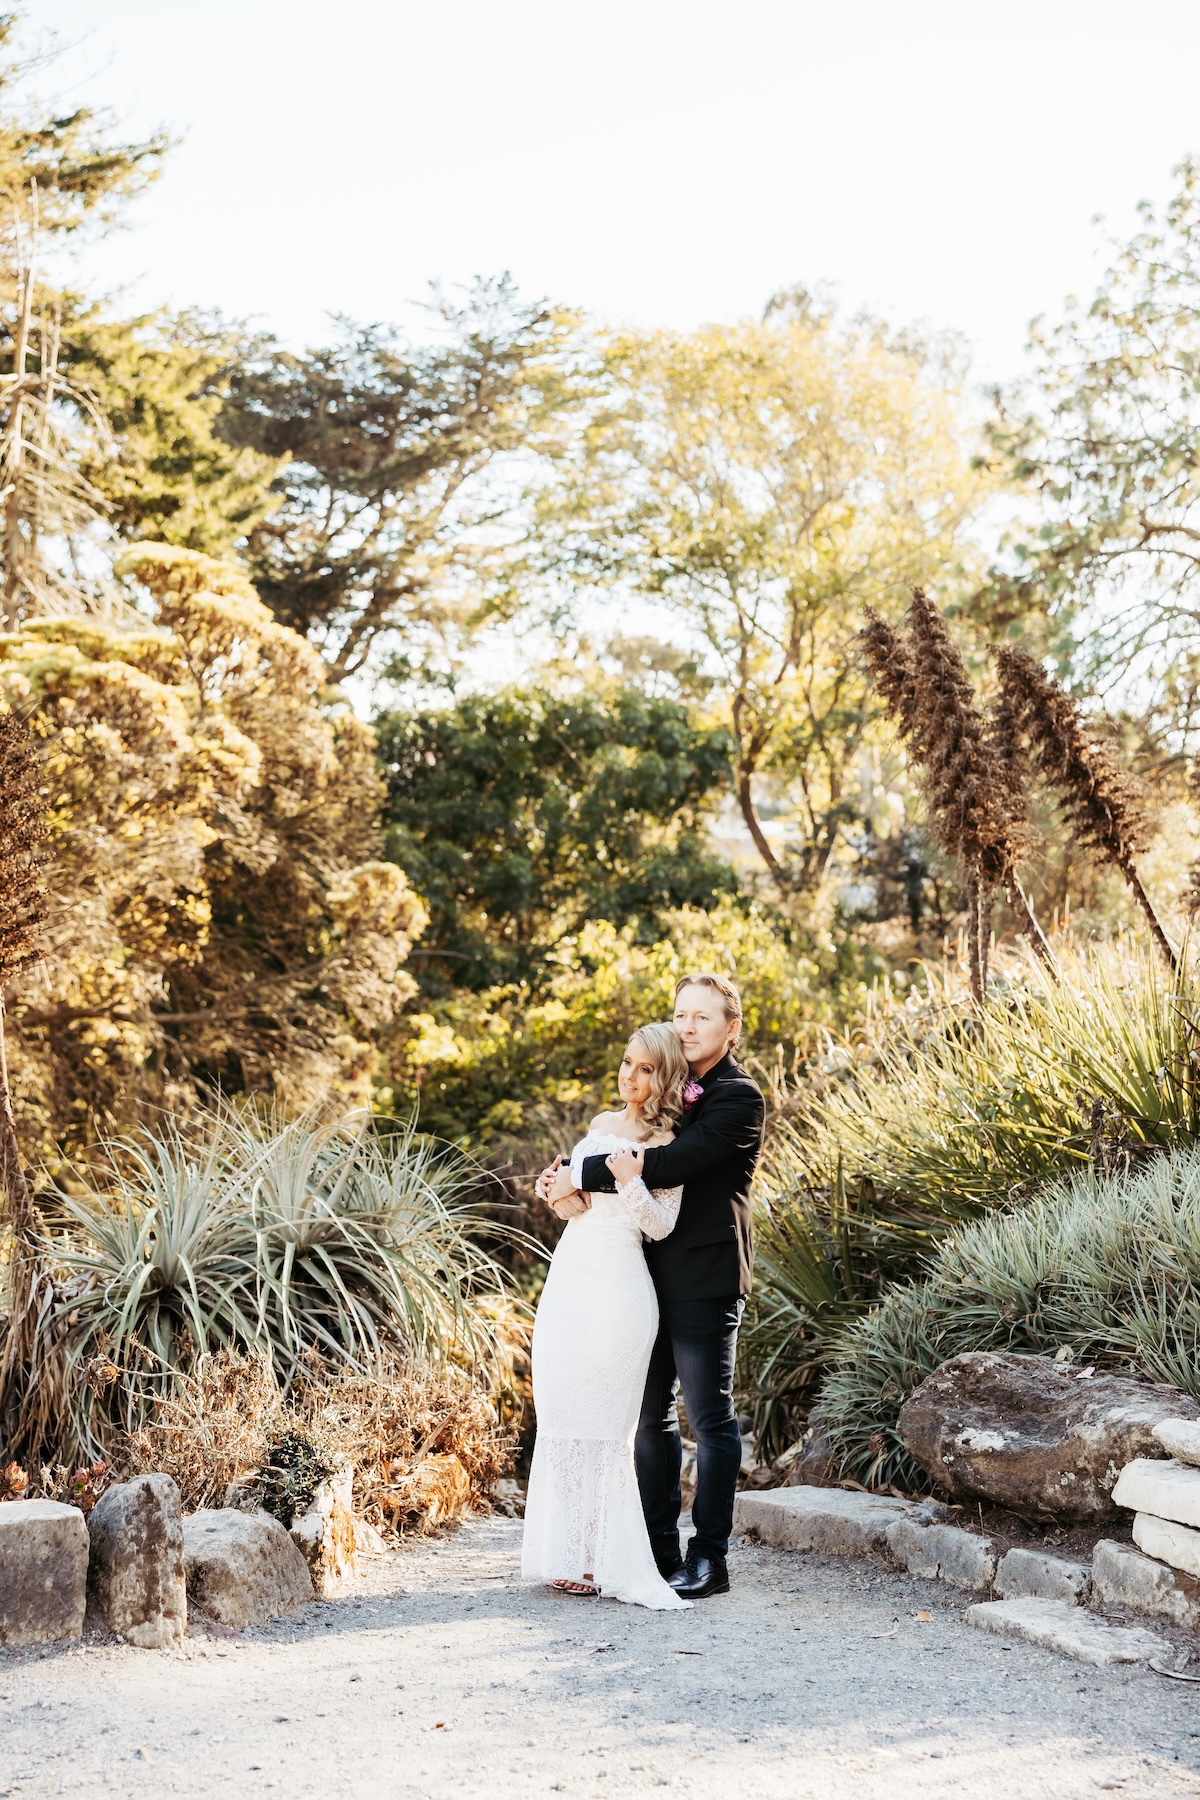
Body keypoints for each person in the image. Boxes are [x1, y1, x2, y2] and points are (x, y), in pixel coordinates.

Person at [538, 974, 765, 1600]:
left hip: (703, 1277)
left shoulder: (737, 1097)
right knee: (647, 1416)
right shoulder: (671, 1088)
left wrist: (573, 1170)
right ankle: (658, 1550)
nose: (689, 1027)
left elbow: (671, 1162)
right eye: (681, 1015)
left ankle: (709, 1558)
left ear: (730, 1027)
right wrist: (572, 1184)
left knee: (709, 1415)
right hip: (640, 1277)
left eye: (702, 1017)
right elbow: (635, 1145)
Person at [521, 1023, 693, 1609]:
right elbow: (576, 1208)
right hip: (570, 1280)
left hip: (622, 1287)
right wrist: (554, 1189)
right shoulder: (599, 1127)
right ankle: (567, 1555)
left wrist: (632, 1179)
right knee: (565, 1415)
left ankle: (600, 1559)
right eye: (627, 1063)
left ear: (665, 1075)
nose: (630, 1076)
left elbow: (659, 1225)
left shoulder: (671, 1140)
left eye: (645, 1068)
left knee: (606, 1425)